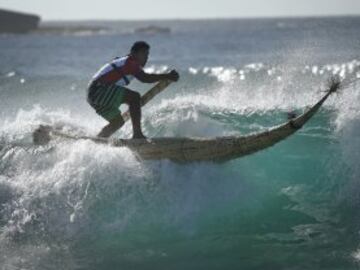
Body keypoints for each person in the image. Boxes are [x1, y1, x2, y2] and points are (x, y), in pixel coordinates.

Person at [87, 41, 179, 139]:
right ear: (134, 53)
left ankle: (98, 140)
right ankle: (137, 134)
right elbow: (145, 78)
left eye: (147, 54)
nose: (146, 58)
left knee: (118, 122)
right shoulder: (130, 62)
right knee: (134, 97)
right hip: (98, 90)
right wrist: (167, 76)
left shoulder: (125, 61)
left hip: (92, 96)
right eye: (143, 53)